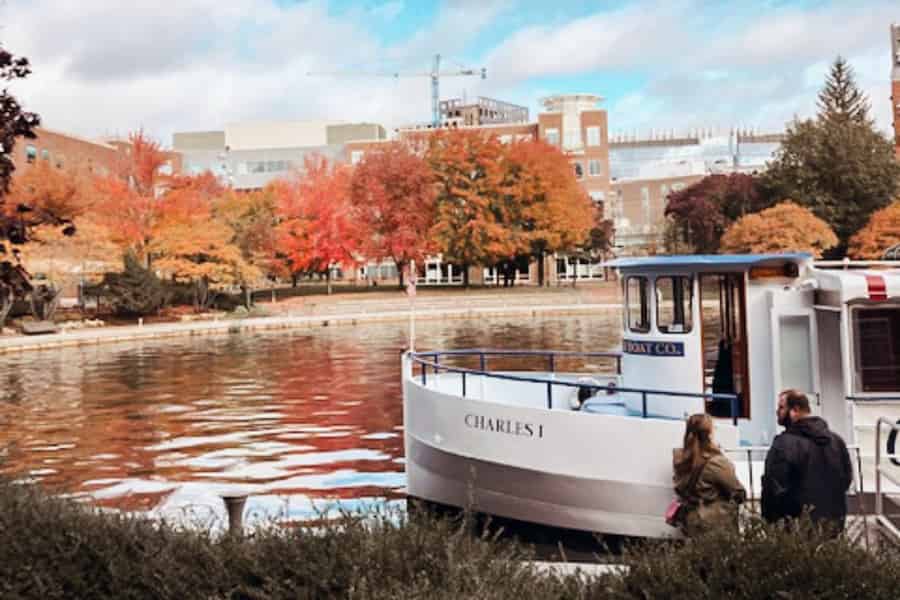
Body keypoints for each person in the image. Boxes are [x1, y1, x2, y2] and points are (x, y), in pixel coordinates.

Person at [761, 389, 853, 532]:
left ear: (795, 410)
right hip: (833, 525)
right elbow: (846, 479)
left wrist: (771, 520)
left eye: (781, 407)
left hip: (796, 531)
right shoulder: (836, 441)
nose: (777, 412)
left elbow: (774, 487)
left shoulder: (784, 444)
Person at [672, 413, 747, 535]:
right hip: (715, 525)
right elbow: (738, 492)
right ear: (709, 434)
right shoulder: (716, 463)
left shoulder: (680, 459)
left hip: (691, 521)